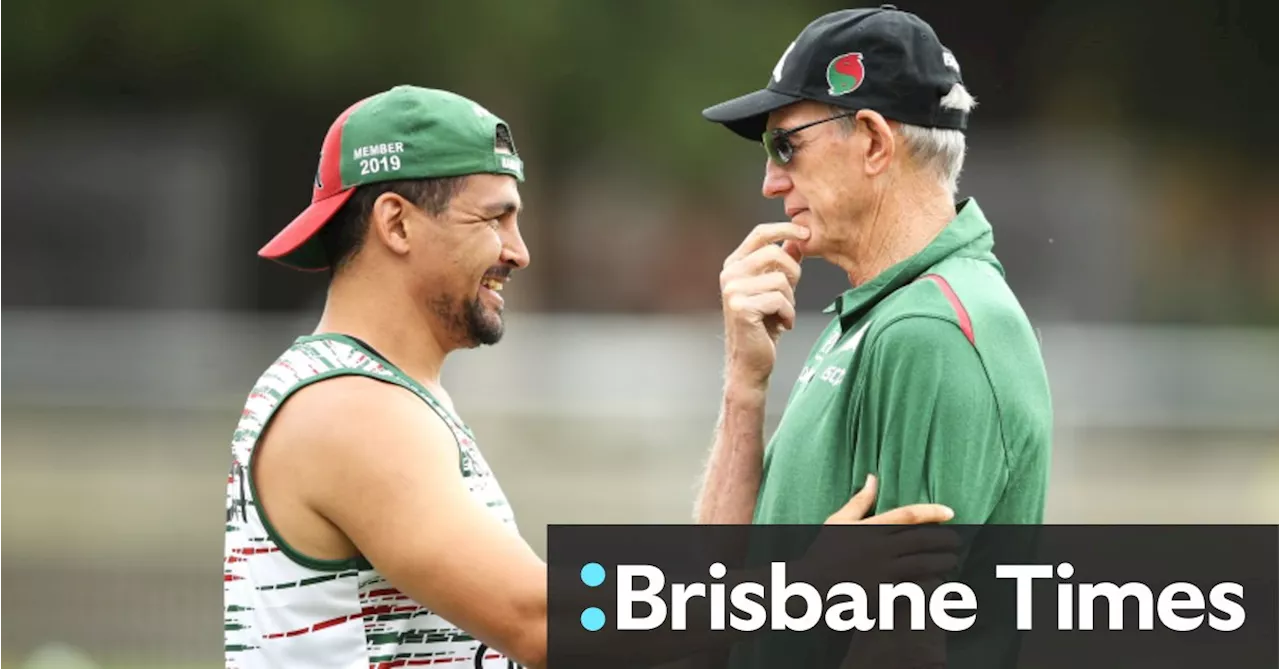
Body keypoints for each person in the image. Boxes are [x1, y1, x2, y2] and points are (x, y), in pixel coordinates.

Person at [223, 84, 958, 669]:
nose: (520, 251)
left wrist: (742, 389)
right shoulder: (350, 409)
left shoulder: (381, 394)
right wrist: (804, 586)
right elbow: (539, 622)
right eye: (495, 218)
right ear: (396, 223)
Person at [696, 6, 1054, 667]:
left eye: (785, 145)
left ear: (872, 141)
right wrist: (744, 390)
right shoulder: (879, 312)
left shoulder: (929, 330)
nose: (771, 180)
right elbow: (709, 617)